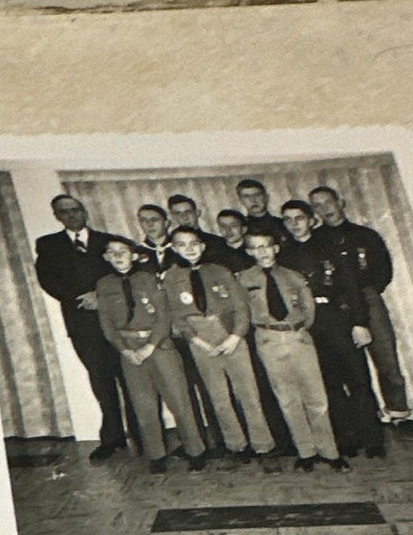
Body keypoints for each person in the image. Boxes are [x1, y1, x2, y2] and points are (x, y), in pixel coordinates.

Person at [278, 200, 385, 460]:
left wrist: (359, 323)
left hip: (338, 317)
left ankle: (372, 440)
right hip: (308, 324)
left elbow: (350, 285)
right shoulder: (282, 255)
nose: (294, 224)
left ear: (311, 220)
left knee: (358, 379)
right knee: (328, 383)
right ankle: (346, 438)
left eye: (299, 218)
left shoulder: (330, 247)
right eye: (288, 219)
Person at [33, 193, 134, 462]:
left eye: (75, 210)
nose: (71, 216)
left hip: (116, 320)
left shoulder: (108, 241)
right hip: (82, 323)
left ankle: (143, 434)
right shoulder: (48, 244)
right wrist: (81, 298)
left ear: (84, 211)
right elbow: (47, 279)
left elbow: (129, 269)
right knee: (101, 379)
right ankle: (112, 438)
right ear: (57, 216)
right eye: (64, 212)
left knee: (131, 376)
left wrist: (100, 295)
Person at [236, 232, 347, 471]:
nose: (262, 252)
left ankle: (329, 451)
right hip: (268, 339)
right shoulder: (243, 280)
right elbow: (241, 310)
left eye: (267, 246)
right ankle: (306, 452)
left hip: (298, 338)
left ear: (275, 248)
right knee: (287, 399)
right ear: (248, 252)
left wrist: (297, 329)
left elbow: (308, 308)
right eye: (256, 248)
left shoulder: (293, 276)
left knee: (316, 397)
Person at [95, 240, 207, 474]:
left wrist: (151, 346)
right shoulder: (104, 284)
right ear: (106, 257)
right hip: (129, 349)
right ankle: (156, 454)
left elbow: (164, 316)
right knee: (143, 404)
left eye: (123, 252)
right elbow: (106, 323)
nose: (118, 256)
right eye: (112, 253)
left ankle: (195, 451)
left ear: (133, 255)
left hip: (158, 346)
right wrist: (124, 350)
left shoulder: (149, 279)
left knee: (179, 400)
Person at [164, 227, 275, 460]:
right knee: (218, 397)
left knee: (248, 394)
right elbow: (175, 315)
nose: (190, 249)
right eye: (182, 245)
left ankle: (263, 446)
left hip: (229, 334)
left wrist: (236, 336)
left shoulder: (219, 270)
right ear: (173, 248)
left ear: (203, 246)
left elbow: (241, 307)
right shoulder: (172, 278)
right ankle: (236, 445)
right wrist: (196, 341)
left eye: (194, 243)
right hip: (199, 339)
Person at [309, 185, 411, 423]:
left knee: (387, 360)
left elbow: (383, 271)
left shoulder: (365, 235)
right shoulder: (316, 241)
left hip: (367, 300)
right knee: (350, 367)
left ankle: (399, 415)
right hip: (335, 306)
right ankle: (367, 419)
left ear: (340, 202)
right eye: (317, 206)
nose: (324, 209)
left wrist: (367, 292)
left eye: (328, 202)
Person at [236, 178, 289, 247]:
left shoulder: (283, 224)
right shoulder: (240, 229)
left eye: (257, 195)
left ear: (266, 197)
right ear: (241, 200)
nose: (253, 200)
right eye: (246, 196)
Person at [134, 202, 179, 277]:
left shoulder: (180, 247)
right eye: (144, 220)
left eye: (154, 220)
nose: (149, 224)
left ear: (166, 223)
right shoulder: (135, 253)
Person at [212, 209, 256, 274]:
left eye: (233, 226)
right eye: (223, 226)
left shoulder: (253, 250)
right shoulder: (216, 253)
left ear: (244, 229)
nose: (228, 231)